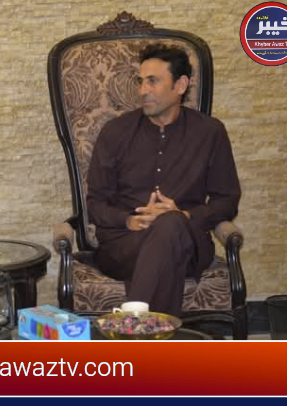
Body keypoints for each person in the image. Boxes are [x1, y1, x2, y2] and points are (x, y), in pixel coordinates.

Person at [86, 44, 241, 316]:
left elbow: (227, 200)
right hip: (124, 245)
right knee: (166, 240)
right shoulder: (115, 132)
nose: (142, 90)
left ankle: (135, 325)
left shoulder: (209, 132)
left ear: (180, 85)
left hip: (188, 242)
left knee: (170, 224)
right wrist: (129, 220)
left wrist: (185, 215)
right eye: (141, 81)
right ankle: (152, 334)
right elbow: (95, 203)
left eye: (153, 81)